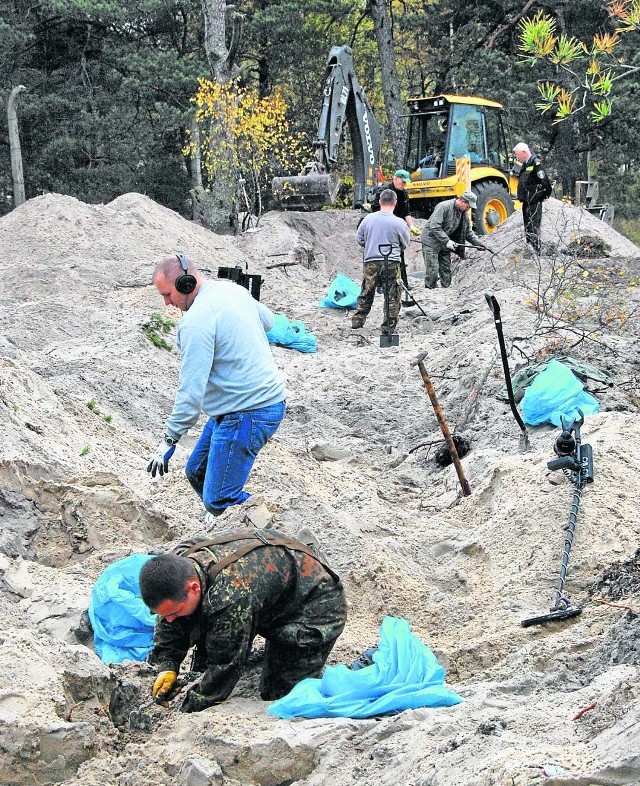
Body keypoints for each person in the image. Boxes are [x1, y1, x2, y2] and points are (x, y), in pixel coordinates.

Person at [139, 529, 347, 712]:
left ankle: (350, 673)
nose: (169, 619)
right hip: (268, 589)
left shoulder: (229, 596)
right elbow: (171, 621)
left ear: (194, 587)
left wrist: (186, 708)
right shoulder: (177, 563)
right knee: (198, 623)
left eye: (172, 612)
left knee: (279, 693)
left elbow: (225, 667)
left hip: (314, 606)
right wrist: (167, 664)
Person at [146, 255, 286, 519]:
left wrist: (169, 439)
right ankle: (227, 519)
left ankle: (278, 521)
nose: (166, 303)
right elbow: (268, 321)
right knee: (196, 471)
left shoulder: (196, 323)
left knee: (219, 496)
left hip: (250, 410)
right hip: (253, 404)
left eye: (167, 294)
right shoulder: (233, 291)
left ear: (186, 284)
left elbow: (191, 392)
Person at [352, 189, 411, 332]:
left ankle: (358, 321)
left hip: (371, 260)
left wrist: (371, 244)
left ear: (379, 202)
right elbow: (405, 244)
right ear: (395, 203)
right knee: (392, 294)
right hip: (392, 261)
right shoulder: (400, 223)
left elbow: (359, 239)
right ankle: (388, 327)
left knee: (367, 291)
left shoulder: (368, 219)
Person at [421, 191, 488, 289]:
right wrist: (447, 241)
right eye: (468, 206)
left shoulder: (463, 214)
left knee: (446, 269)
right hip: (431, 241)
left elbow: (467, 232)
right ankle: (430, 290)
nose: (468, 209)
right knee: (432, 270)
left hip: (444, 242)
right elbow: (434, 226)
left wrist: (478, 244)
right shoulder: (444, 206)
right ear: (462, 201)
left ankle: (446, 290)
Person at [369, 169, 420, 295]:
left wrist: (411, 226)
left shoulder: (404, 194)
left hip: (397, 227)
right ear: (395, 179)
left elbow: (406, 212)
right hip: (383, 227)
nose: (404, 185)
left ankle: (404, 284)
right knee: (382, 256)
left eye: (405, 183)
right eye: (403, 182)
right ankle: (380, 285)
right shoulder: (384, 192)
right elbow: (376, 208)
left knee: (399, 256)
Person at [513, 142, 553, 254]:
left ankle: (536, 252)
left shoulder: (536, 164)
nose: (516, 157)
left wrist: (542, 196)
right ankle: (530, 250)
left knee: (534, 228)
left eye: (517, 155)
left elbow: (545, 183)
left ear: (524, 152)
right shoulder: (526, 164)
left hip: (534, 202)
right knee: (528, 228)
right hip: (526, 202)